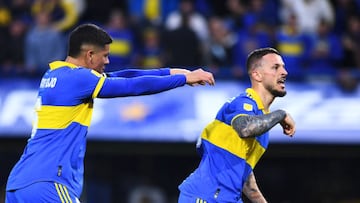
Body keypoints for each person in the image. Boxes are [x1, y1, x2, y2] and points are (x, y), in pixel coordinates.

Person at [5, 23, 215, 203]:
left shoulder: (57, 74)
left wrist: (169, 72)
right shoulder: (79, 79)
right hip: (48, 181)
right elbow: (131, 86)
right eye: (104, 56)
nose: (107, 61)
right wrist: (183, 80)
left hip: (19, 183)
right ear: (89, 55)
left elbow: (124, 75)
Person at [178, 47, 296, 203]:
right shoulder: (243, 102)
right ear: (257, 75)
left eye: (283, 67)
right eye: (276, 67)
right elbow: (245, 128)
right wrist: (281, 115)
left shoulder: (262, 125)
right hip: (205, 196)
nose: (284, 72)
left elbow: (244, 177)